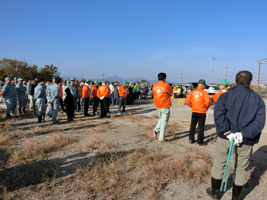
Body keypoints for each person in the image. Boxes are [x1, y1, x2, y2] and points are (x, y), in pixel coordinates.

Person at [206, 71, 266, 200]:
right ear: (250, 83)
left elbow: (219, 116)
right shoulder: (258, 100)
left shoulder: (225, 96)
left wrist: (228, 133)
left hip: (225, 138)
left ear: (235, 82)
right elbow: (259, 123)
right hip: (246, 140)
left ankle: (215, 193)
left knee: (219, 164)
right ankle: (236, 198)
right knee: (240, 169)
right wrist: (242, 134)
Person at [186, 79, 211, 145]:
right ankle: (199, 141)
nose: (204, 87)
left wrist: (192, 106)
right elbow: (208, 102)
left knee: (192, 126)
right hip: (202, 112)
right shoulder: (204, 93)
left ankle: (191, 139)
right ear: (203, 85)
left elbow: (187, 100)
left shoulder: (193, 92)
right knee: (201, 126)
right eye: (204, 86)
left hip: (194, 111)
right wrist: (205, 108)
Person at [152, 73, 173, 143]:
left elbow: (154, 94)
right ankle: (161, 138)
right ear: (164, 78)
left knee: (161, 119)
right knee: (164, 122)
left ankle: (156, 130)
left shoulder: (154, 86)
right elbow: (171, 93)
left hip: (158, 105)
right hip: (165, 105)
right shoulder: (166, 85)